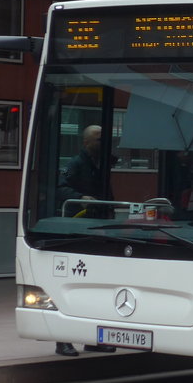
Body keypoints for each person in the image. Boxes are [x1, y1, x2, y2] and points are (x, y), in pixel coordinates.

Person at [55, 124, 116, 357]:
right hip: (78, 229)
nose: (103, 143)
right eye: (99, 139)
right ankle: (63, 340)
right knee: (73, 287)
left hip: (97, 229)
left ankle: (94, 339)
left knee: (98, 287)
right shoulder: (76, 164)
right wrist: (80, 197)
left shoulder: (101, 164)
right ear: (86, 142)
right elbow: (60, 188)